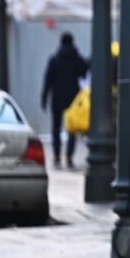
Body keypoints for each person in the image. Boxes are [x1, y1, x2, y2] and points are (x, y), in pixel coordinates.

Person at [41, 32, 89, 168]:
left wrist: (44, 99)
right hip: (73, 100)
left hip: (57, 98)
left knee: (56, 128)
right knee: (71, 129)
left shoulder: (54, 59)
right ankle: (69, 157)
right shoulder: (77, 58)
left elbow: (48, 81)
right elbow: (85, 71)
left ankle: (56, 156)